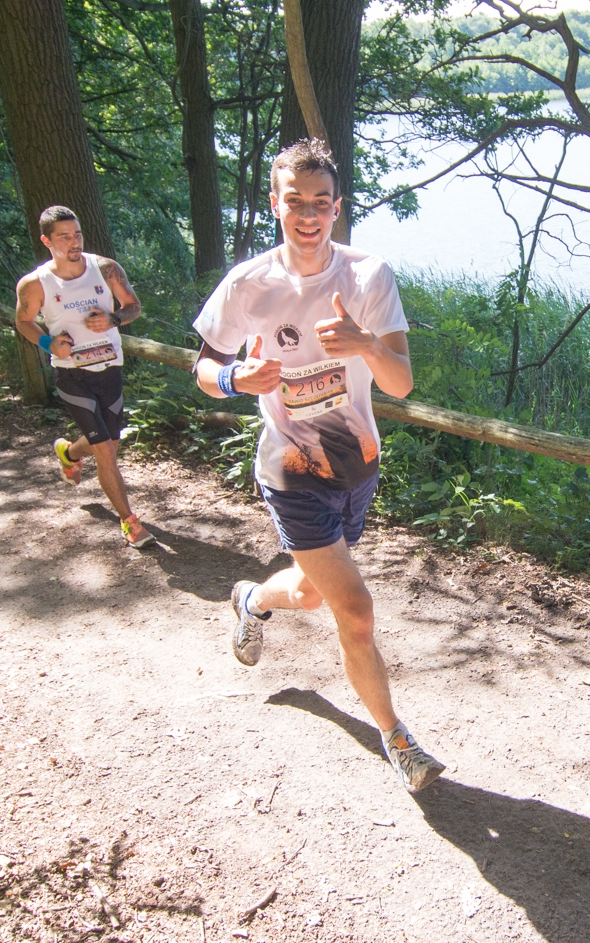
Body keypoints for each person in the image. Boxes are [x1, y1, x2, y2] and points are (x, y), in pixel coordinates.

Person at [190, 138, 444, 794]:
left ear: (336, 207)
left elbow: (402, 383)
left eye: (320, 203)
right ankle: (399, 738)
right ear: (275, 203)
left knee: (309, 591)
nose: (308, 213)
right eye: (294, 201)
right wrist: (233, 376)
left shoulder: (367, 276)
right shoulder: (249, 284)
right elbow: (201, 367)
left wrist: (363, 342)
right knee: (354, 608)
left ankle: (251, 598)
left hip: (355, 466)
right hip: (291, 468)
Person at [14, 205, 154, 549]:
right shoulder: (35, 283)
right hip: (71, 374)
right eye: (64, 236)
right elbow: (23, 320)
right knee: (106, 451)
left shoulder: (105, 269)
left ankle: (70, 453)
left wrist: (114, 320)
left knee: (108, 443)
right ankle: (130, 522)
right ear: (47, 241)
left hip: (111, 369)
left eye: (76, 234)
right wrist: (49, 342)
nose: (73, 241)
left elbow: (133, 306)